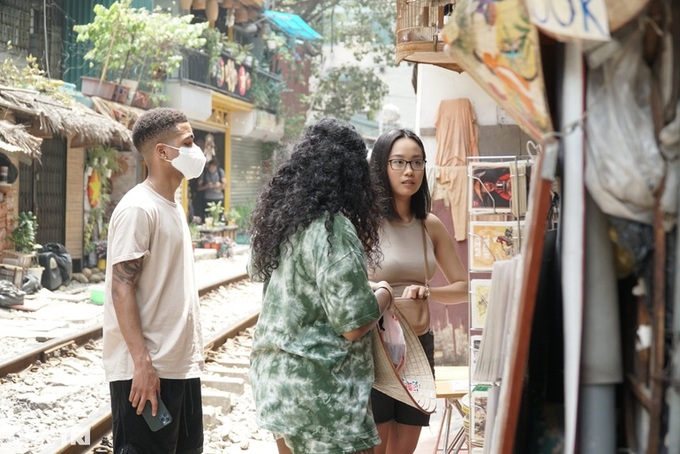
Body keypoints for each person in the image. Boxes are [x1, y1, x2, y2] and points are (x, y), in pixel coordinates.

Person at [248, 118, 394, 454]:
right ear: (353, 174)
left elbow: (287, 281)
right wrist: (385, 293)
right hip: (323, 392)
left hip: (277, 382)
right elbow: (354, 325)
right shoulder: (332, 228)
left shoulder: (280, 221)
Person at [103, 107, 206, 454]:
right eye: (188, 142)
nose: (197, 150)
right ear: (162, 152)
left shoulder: (172, 205)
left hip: (180, 367)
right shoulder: (138, 208)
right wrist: (142, 364)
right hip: (148, 372)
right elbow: (122, 288)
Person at [368, 128, 468, 454]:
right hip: (376, 347)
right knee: (377, 447)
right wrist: (380, 290)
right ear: (382, 166)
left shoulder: (430, 224)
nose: (409, 171)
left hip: (419, 346)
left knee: (405, 448)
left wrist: (429, 292)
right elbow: (342, 281)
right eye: (398, 162)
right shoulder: (363, 223)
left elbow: (463, 287)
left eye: (416, 163)